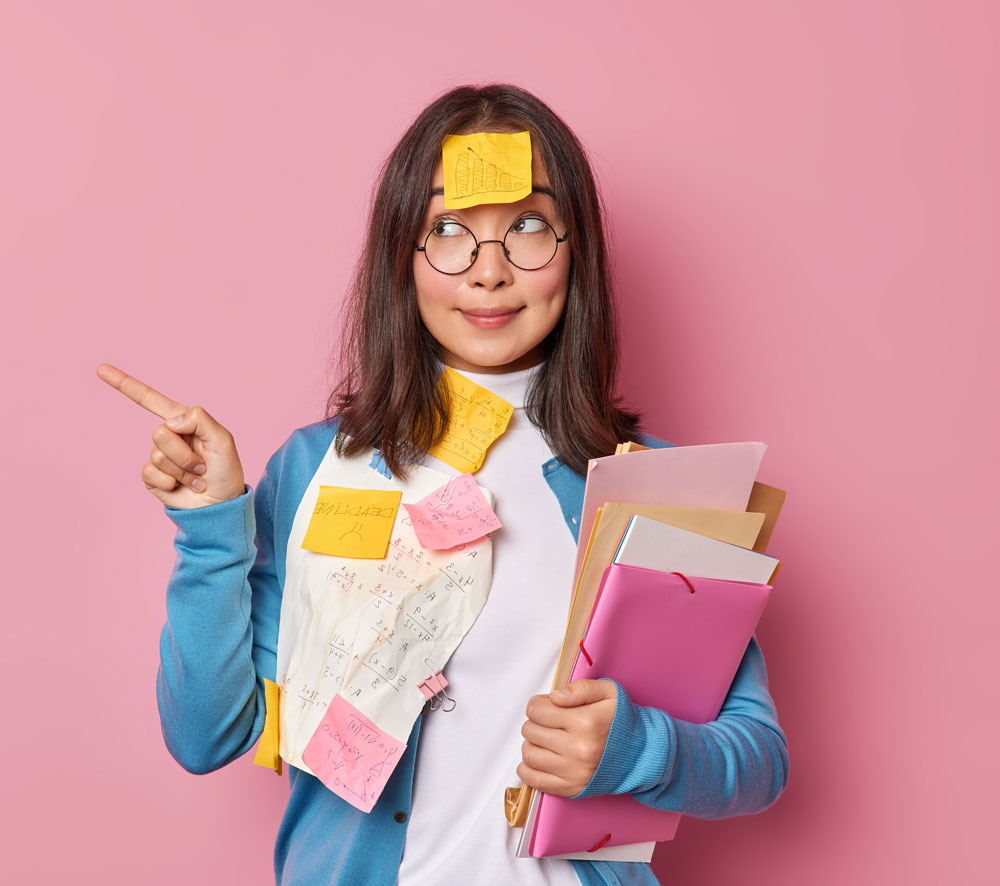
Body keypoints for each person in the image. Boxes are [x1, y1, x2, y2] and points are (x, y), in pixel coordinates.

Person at [98, 84, 788, 886]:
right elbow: (206, 735)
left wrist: (637, 748)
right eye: (449, 232)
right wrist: (212, 527)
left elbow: (758, 758)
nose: (488, 272)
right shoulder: (314, 469)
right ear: (403, 254)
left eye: (528, 226)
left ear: (578, 252)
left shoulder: (658, 485)